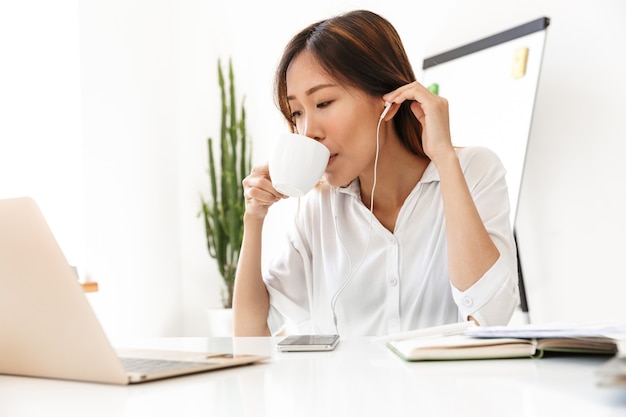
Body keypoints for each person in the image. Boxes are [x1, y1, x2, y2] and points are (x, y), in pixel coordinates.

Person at [233, 9, 519, 337]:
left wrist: (444, 157)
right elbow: (249, 337)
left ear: (389, 101)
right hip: (346, 391)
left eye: (323, 103)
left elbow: (491, 315)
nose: (307, 130)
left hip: (445, 389)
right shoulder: (319, 210)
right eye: (296, 112)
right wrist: (253, 220)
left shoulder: (474, 171)